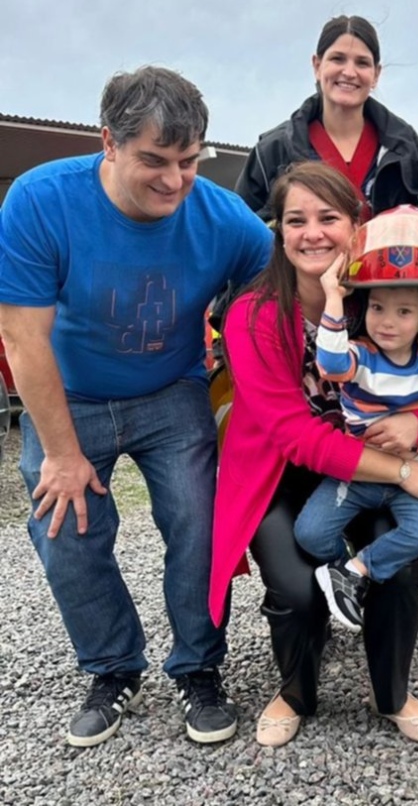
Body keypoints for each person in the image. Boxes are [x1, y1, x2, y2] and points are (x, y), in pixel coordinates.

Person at [0, 66, 273, 747]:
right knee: (66, 528)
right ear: (110, 144)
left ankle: (199, 667)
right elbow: (21, 336)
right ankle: (113, 667)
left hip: (171, 390)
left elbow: (282, 284)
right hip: (71, 395)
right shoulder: (40, 202)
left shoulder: (221, 216)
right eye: (154, 160)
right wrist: (61, 455)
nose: (174, 181)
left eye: (188, 161)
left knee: (199, 519)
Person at [209, 162, 418, 747]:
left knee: (395, 567)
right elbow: (294, 436)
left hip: (363, 469)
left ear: (358, 225)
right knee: (295, 587)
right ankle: (295, 689)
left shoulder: (385, 300)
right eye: (296, 220)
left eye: (329, 218)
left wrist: (417, 421)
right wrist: (405, 469)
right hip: (283, 474)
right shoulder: (251, 314)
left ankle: (392, 691)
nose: (312, 233)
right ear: (280, 232)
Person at [294, 225, 418, 630]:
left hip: (412, 471)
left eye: (404, 311)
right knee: (310, 533)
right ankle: (342, 574)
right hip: (361, 469)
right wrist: (335, 296)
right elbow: (331, 365)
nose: (387, 322)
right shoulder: (360, 354)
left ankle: (355, 573)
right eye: (377, 308)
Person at [235, 14, 418, 221]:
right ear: (317, 66)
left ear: (376, 74)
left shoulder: (406, 147)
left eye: (362, 63)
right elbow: (240, 232)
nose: (349, 72)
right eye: (338, 59)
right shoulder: (273, 151)